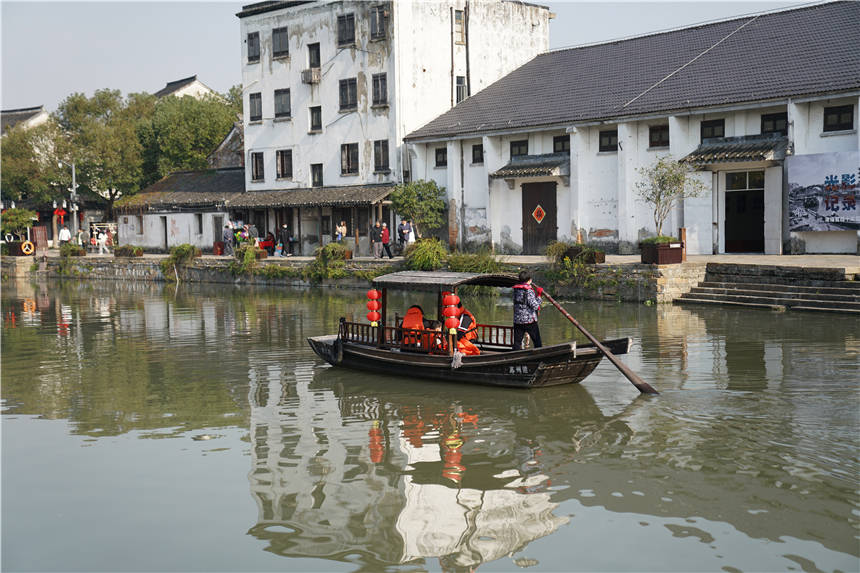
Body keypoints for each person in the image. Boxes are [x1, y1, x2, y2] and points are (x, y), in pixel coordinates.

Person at [512, 270, 543, 350]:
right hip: (529, 321)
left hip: (517, 320)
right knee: (537, 341)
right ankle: (539, 357)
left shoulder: (516, 290)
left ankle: (516, 358)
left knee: (517, 343)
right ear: (529, 280)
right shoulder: (528, 291)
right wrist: (539, 295)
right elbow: (535, 306)